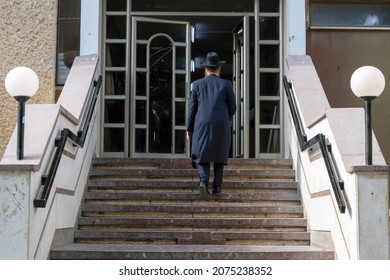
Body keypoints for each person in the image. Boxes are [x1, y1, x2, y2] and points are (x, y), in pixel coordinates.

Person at [186, 52, 236, 199]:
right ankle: (217, 186)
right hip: (221, 123)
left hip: (202, 123)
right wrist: (224, 117)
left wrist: (189, 128)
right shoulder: (226, 84)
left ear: (206, 69)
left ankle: (203, 182)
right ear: (219, 68)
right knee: (220, 154)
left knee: (202, 152)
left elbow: (192, 108)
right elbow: (233, 106)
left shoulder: (197, 84)